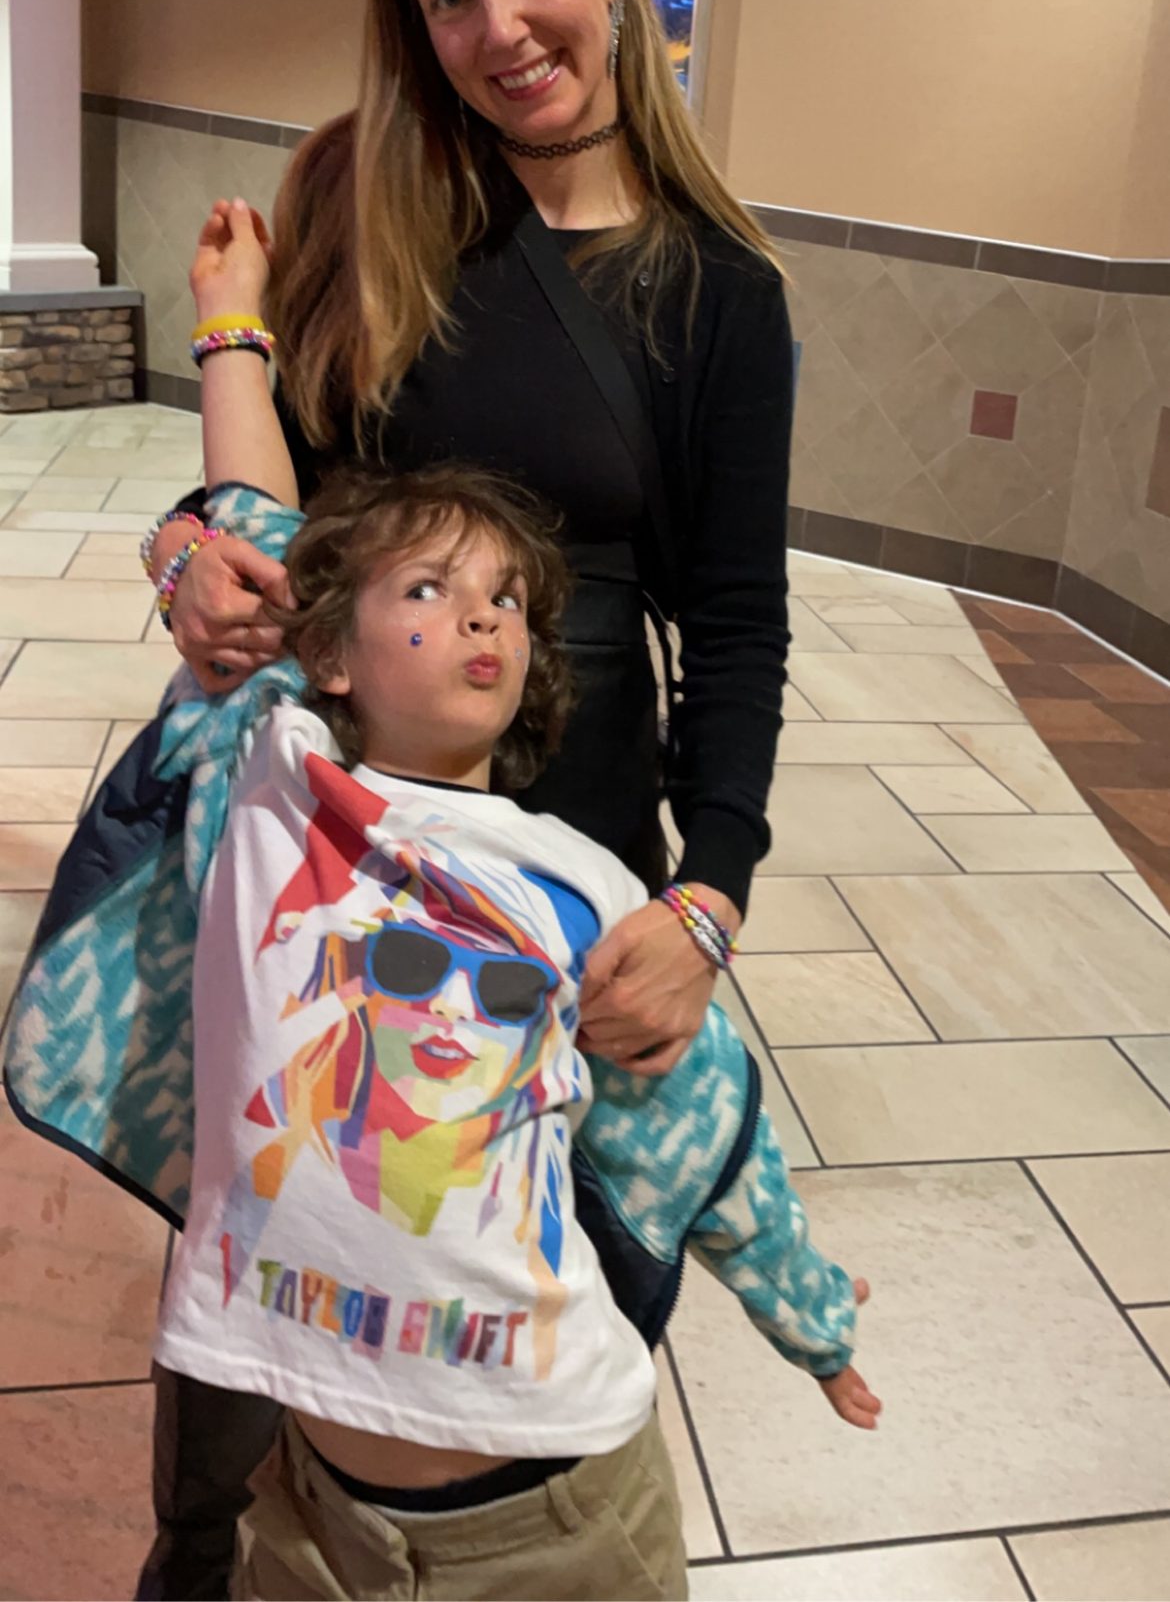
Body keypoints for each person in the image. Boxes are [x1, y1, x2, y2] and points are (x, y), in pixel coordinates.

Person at [138, 0, 797, 1594]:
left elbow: (738, 627)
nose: (496, 27)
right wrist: (186, 557)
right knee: (283, 1235)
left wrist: (707, 898)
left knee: (546, 1286)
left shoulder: (717, 291)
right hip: (332, 843)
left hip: (569, 855)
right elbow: (268, 503)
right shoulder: (368, 200)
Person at [141, 213, 877, 1597]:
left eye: (508, 601)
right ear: (325, 651)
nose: (484, 617)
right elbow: (248, 525)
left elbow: (704, 1128)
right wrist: (229, 318)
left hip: (555, 1518)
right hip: (310, 1515)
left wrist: (813, 1323)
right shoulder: (276, 779)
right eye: (428, 589)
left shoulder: (578, 886)